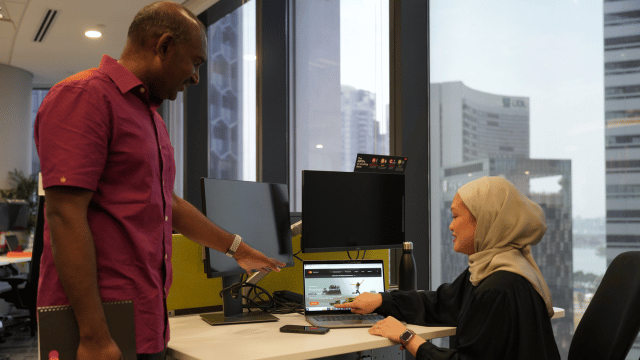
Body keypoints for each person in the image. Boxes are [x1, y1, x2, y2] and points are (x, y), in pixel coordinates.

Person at [34, 2, 285, 360]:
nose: (196, 77)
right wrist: (93, 335)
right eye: (194, 62)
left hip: (145, 318)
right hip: (97, 325)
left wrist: (238, 249)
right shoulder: (84, 96)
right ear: (163, 46)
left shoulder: (147, 116)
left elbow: (168, 202)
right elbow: (64, 215)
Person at [336, 176, 561, 359]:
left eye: (456, 217)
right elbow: (443, 302)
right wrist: (382, 301)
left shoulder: (498, 287)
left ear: (485, 220)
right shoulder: (497, 267)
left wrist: (406, 337)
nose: (451, 226)